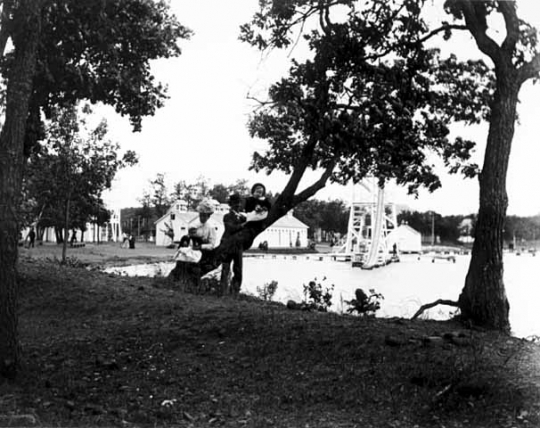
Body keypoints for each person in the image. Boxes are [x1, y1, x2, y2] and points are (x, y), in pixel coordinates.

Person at [219, 193, 246, 296]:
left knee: (238, 269)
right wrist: (243, 225)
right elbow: (231, 228)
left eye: (239, 203)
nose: (238, 205)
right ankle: (223, 290)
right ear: (231, 204)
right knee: (225, 268)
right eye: (235, 203)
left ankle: (235, 291)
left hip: (238, 245)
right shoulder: (227, 216)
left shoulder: (243, 217)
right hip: (228, 244)